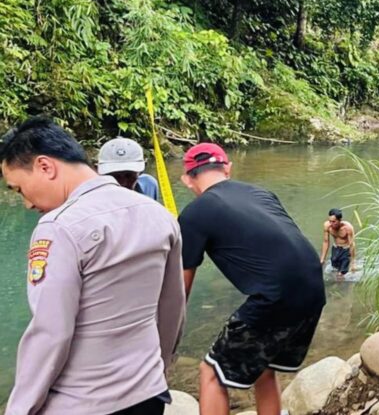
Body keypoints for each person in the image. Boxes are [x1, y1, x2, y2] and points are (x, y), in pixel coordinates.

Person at [1, 118, 185, 415]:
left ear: (45, 167)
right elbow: (172, 308)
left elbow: (51, 332)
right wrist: (158, 372)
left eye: (19, 189)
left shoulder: (59, 227)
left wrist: (20, 408)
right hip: (147, 395)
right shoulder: (158, 214)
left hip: (83, 403)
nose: (27, 203)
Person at [178, 143, 325, 415]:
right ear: (228, 168)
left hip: (275, 297)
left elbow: (180, 291)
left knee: (210, 372)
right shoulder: (262, 193)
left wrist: (166, 335)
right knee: (263, 368)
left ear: (187, 179)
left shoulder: (194, 213)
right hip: (314, 288)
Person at [320, 208, 357, 279]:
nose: (331, 224)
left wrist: (353, 262)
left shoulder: (348, 228)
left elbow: (352, 245)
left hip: (346, 250)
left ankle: (341, 288)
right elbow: (326, 242)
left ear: (340, 220)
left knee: (340, 274)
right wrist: (322, 259)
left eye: (334, 222)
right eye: (330, 221)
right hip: (335, 249)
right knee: (334, 269)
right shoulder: (327, 226)